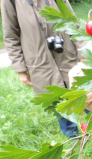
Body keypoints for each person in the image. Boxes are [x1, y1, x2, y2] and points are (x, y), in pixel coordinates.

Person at [1, 0, 84, 137]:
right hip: (40, 64)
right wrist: (20, 68)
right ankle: (74, 140)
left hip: (68, 55)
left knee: (86, 96)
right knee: (59, 102)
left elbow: (73, 21)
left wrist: (83, 52)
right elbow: (10, 37)